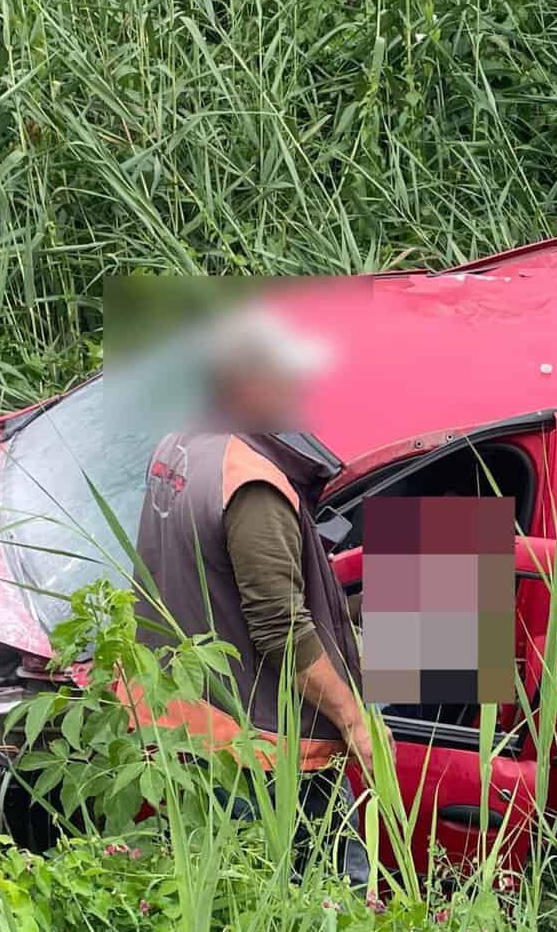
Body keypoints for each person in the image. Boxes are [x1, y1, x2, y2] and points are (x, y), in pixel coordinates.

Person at [133, 303, 378, 851]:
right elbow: (281, 629)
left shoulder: (178, 447)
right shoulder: (254, 486)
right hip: (265, 751)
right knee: (329, 900)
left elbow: (204, 570)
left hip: (185, 721)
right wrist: (355, 720)